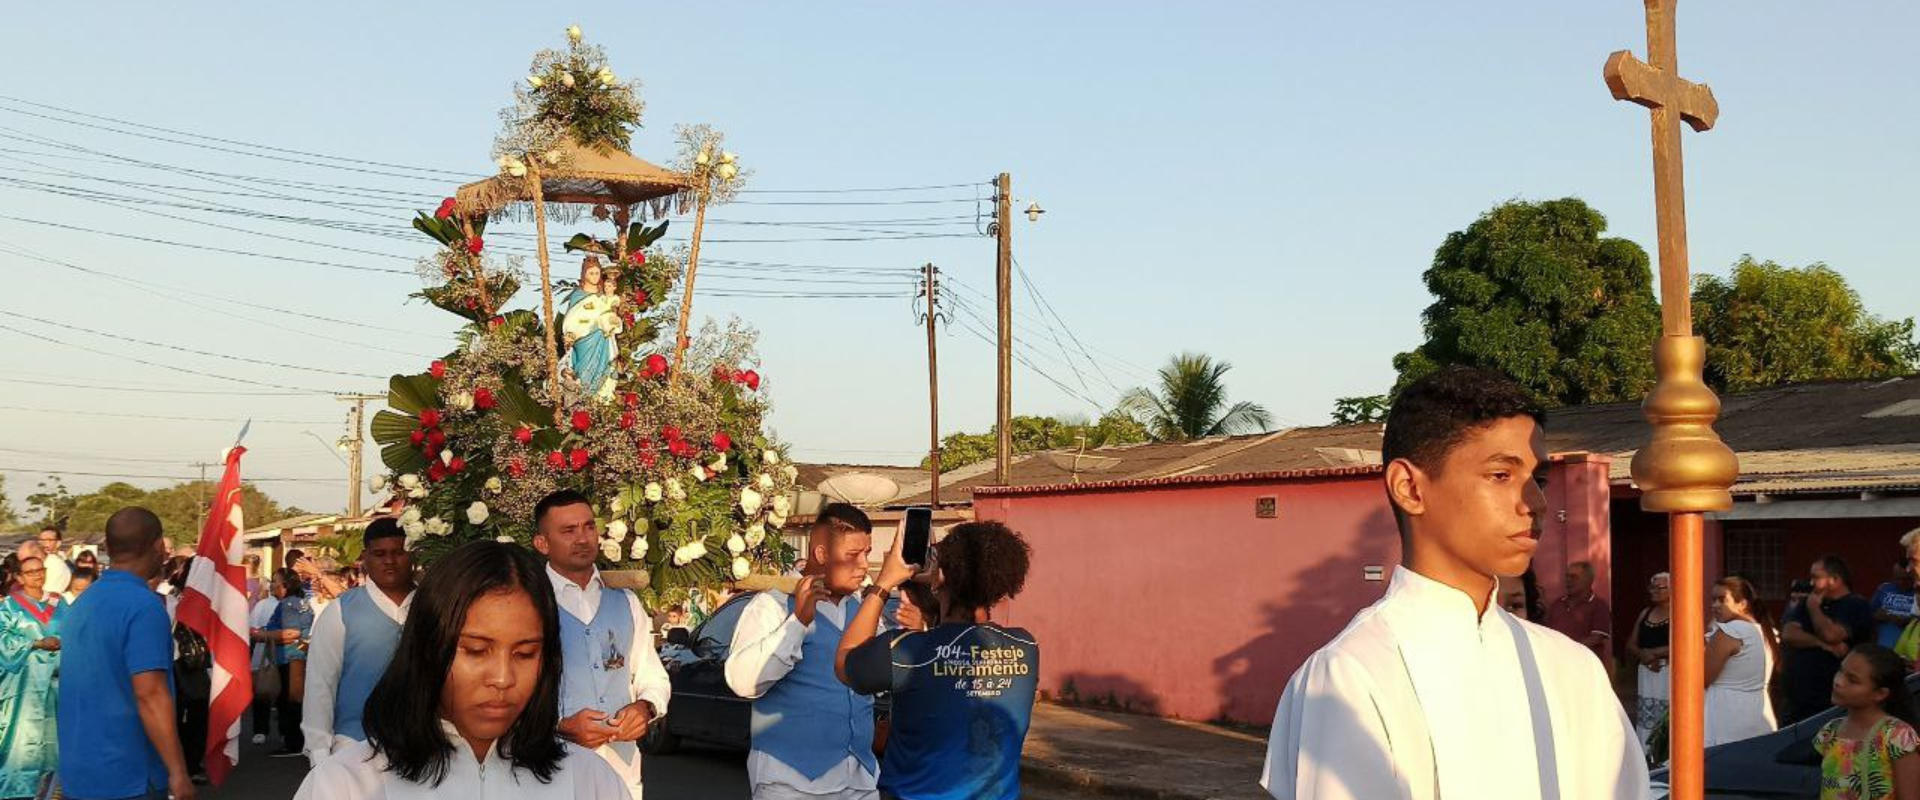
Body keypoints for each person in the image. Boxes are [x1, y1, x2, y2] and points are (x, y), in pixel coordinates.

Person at [1260, 366, 1644, 800]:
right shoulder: (1353, 673)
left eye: (1537, 480)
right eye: (1501, 475)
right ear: (1410, 488)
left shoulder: (1572, 667)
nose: (1534, 503)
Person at [294, 541, 626, 798]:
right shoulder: (346, 785)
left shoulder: (590, 783)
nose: (502, 678)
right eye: (476, 651)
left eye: (525, 654)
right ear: (427, 647)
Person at [836, 521, 1039, 800]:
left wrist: (884, 583)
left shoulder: (908, 653)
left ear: (940, 575)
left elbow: (846, 661)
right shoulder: (1025, 647)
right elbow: (958, 645)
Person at [727, 503, 891, 800]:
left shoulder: (865, 611)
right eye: (853, 555)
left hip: (859, 779)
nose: (865, 565)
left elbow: (881, 681)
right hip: (790, 781)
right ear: (821, 555)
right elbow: (743, 682)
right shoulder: (773, 605)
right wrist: (798, 622)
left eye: (866, 553)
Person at [531, 490, 671, 800]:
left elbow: (652, 675)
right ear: (542, 543)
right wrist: (558, 725)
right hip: (549, 773)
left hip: (621, 772)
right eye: (568, 531)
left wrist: (646, 707)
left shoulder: (627, 603)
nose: (582, 538)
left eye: (589, 527)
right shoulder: (528, 605)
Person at [57, 507, 196, 800]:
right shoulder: (144, 606)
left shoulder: (83, 603)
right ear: (159, 546)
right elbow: (150, 694)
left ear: (108, 547)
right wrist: (178, 771)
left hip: (79, 772)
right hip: (129, 774)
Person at [302, 519, 418, 766]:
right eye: (379, 554)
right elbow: (320, 684)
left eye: (398, 552)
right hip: (355, 749)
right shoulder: (340, 612)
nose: (389, 561)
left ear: (412, 555)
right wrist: (319, 753)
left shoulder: (432, 607)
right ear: (365, 558)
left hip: (420, 748)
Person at [1816, 644, 1920, 800]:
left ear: (1880, 694)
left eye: (1852, 680)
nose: (1838, 681)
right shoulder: (1830, 731)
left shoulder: (1897, 735)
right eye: (1840, 671)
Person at [0, 555, 65, 797]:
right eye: (30, 572)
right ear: (18, 577)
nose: (37, 575)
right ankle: (16, 790)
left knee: (56, 735)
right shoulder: (8, 606)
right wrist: (37, 643)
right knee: (23, 737)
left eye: (40, 569)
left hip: (58, 681)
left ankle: (52, 789)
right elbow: (1, 639)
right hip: (23, 685)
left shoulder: (59, 603)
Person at [1784, 556, 1877, 725]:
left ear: (1834, 579)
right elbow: (1790, 634)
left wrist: (1814, 609)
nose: (1811, 583)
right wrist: (1823, 644)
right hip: (1798, 702)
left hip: (1831, 703)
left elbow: (1831, 634)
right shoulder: (1807, 602)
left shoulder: (1856, 605)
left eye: (1816, 577)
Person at [1705, 575, 1779, 747]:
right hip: (1758, 709)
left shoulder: (1730, 631)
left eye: (1722, 600)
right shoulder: (1767, 631)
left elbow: (1704, 678)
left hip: (1726, 713)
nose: (1714, 605)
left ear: (1743, 604)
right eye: (1713, 599)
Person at [163, 556, 213, 785]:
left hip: (197, 664)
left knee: (197, 715)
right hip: (178, 663)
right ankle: (184, 764)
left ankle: (192, 763)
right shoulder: (171, 598)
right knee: (182, 717)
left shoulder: (209, 598)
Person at [263, 567, 317, 757]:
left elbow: (292, 633)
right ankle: (295, 741)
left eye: (274, 581)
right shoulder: (298, 602)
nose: (271, 586)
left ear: (284, 585)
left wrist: (262, 634)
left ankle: (293, 743)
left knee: (291, 701)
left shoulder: (288, 604)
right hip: (295, 657)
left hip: (291, 658)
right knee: (293, 702)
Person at [1625, 571, 1673, 746]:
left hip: (1668, 672)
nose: (1655, 591)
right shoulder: (1646, 612)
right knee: (1648, 716)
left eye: (1660, 587)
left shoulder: (1679, 613)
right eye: (1653, 587)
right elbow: (1631, 644)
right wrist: (1644, 655)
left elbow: (1686, 642)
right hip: (1647, 672)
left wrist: (1656, 653)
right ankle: (1648, 752)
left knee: (1668, 713)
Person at [1544, 560, 1613, 666]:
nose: (1568, 580)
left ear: (1588, 580)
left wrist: (1568, 649)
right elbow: (1547, 632)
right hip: (1557, 664)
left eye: (1574, 577)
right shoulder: (1557, 604)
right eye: (1567, 576)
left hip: (1584, 666)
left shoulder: (1598, 605)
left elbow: (1596, 638)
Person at [247, 572, 282, 747]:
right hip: (263, 655)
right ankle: (260, 730)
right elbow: (251, 628)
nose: (273, 586)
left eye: (277, 582)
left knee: (284, 695)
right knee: (261, 693)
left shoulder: (293, 604)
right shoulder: (263, 605)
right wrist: (261, 633)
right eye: (273, 582)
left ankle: (285, 731)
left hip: (285, 656)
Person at [1874, 542, 1920, 648]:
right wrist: (1878, 616)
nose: (1901, 582)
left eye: (1906, 579)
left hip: (1909, 650)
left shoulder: (1917, 592)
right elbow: (1869, 613)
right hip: (1884, 647)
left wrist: (1902, 620)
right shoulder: (1884, 588)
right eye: (1897, 578)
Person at [34, 528, 71, 597]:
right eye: (41, 540)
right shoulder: (44, 560)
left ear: (58, 543)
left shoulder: (55, 563)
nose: (43, 543)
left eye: (49, 540)